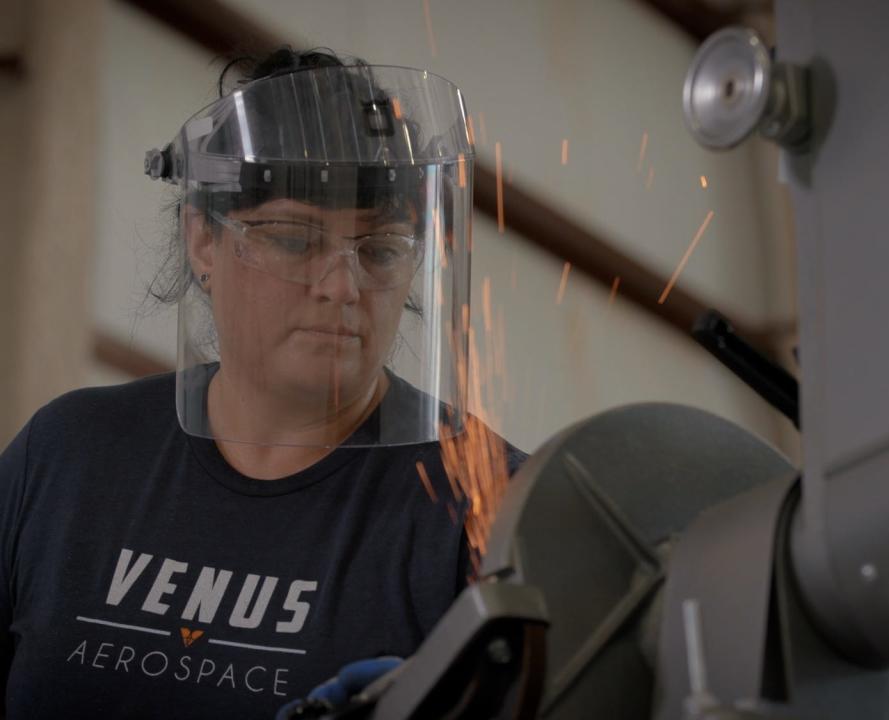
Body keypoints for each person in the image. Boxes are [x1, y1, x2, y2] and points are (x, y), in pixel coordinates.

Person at [0, 48, 525, 718]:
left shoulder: (483, 503)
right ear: (202, 241)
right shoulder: (69, 457)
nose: (342, 286)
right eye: (293, 239)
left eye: (382, 250)